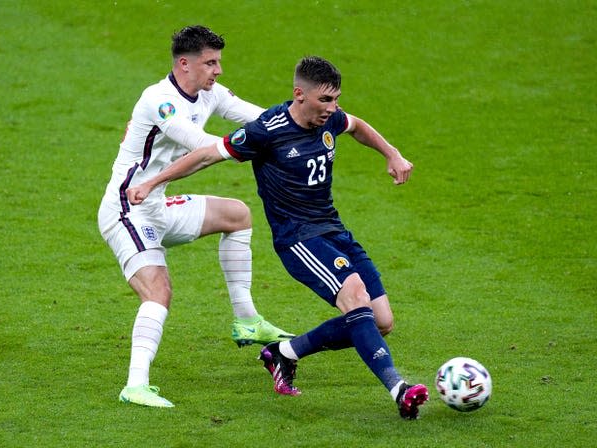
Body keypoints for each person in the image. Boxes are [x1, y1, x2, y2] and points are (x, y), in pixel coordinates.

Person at [126, 56, 428, 419]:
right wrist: (152, 182)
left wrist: (391, 153)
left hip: (333, 229)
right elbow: (207, 155)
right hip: (298, 238)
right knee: (356, 299)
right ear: (299, 94)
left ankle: (285, 353)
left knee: (381, 321)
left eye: (335, 100)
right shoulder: (266, 130)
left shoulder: (330, 117)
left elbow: (356, 125)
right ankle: (399, 388)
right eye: (325, 101)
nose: (332, 109)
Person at [97, 25, 294, 409]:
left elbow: (259, 118)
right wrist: (252, 145)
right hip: (127, 209)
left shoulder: (210, 93)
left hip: (157, 204)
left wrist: (297, 121)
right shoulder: (159, 100)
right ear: (184, 64)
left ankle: (247, 320)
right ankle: (135, 385)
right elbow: (199, 144)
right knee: (159, 291)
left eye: (218, 61)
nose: (218, 70)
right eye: (211, 62)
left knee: (237, 215)